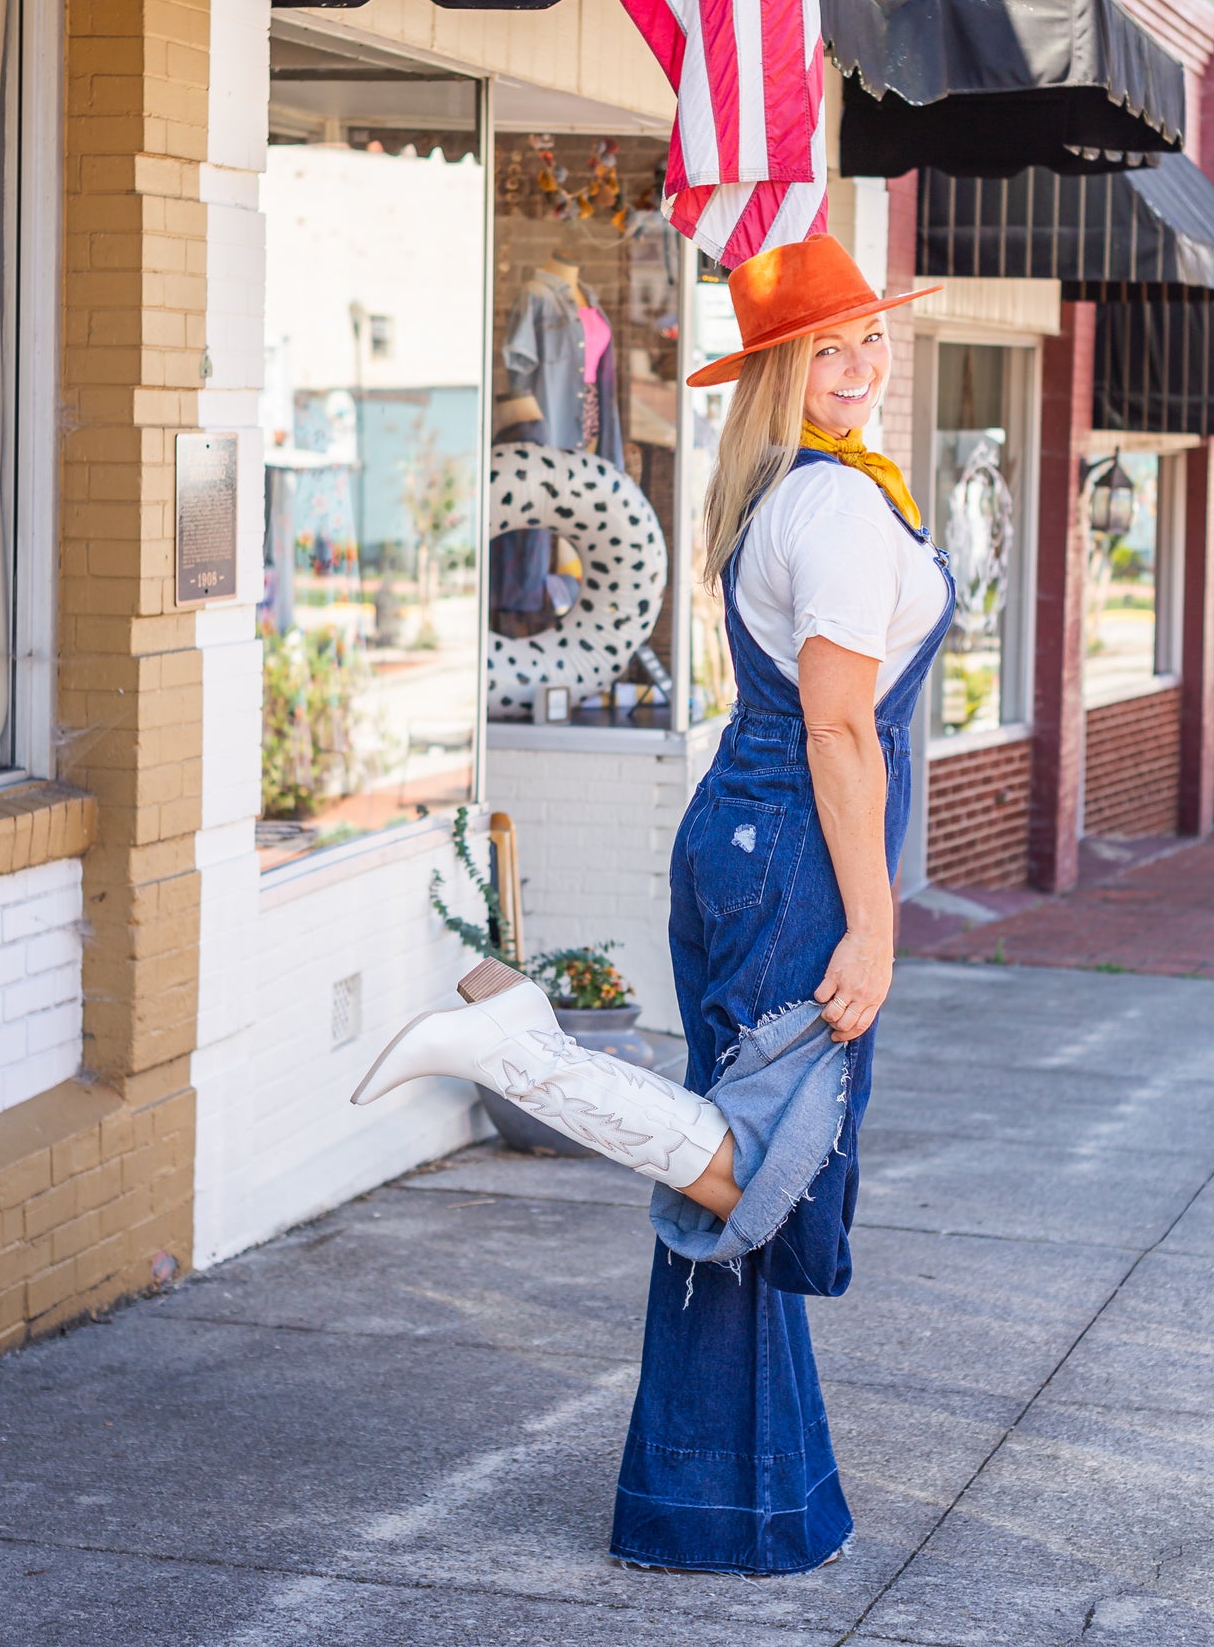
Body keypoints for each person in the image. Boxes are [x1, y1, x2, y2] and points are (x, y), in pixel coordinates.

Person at [351, 233, 952, 1575]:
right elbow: (842, 735)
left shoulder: (800, 493)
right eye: (826, 346)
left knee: (750, 1177)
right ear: (778, 374)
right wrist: (873, 922)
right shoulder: (838, 510)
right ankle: (532, 1061)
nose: (857, 362)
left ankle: (728, 1507)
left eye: (868, 335)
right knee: (777, 1178)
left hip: (746, 836)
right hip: (796, 844)